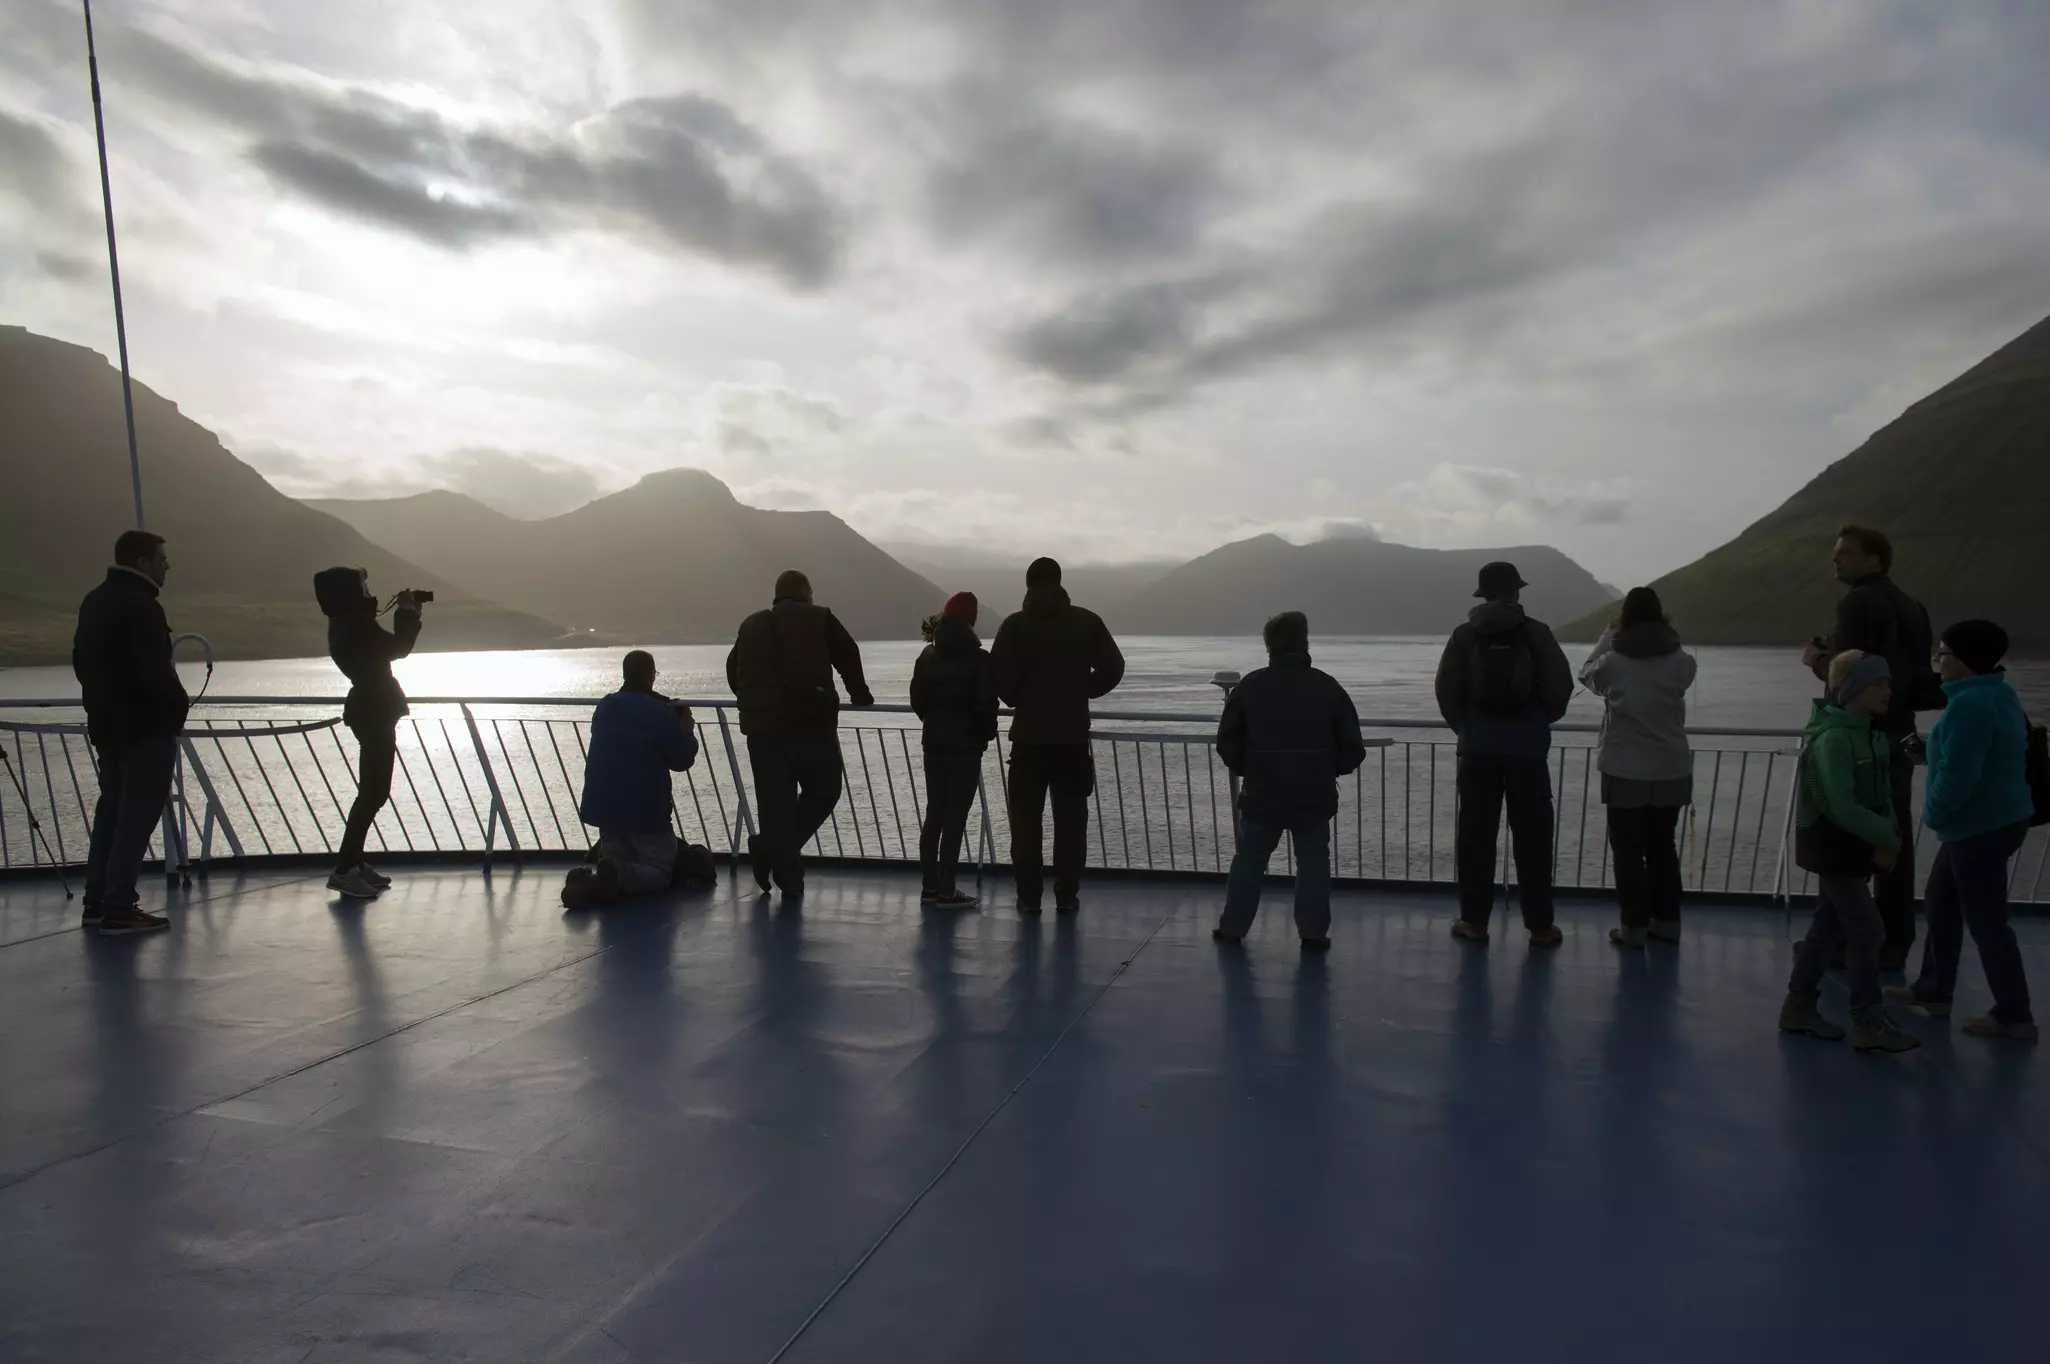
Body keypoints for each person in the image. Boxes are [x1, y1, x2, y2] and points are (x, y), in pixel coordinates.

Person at [1886, 621, 2037, 1042]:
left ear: (1965, 660)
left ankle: (2014, 1014)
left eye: (1944, 654)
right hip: (1995, 820)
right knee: (1941, 902)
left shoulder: (1970, 705)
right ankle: (1933, 989)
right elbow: (1971, 759)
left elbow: (1960, 775)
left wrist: (1932, 815)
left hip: (1979, 827)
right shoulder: (1996, 693)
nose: (1939, 662)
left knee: (1987, 920)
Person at [1800, 525, 1942, 969]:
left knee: (1845, 834)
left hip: (1863, 734)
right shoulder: (1912, 607)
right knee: (1892, 833)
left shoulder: (1859, 601)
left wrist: (1817, 660)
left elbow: (1850, 676)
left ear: (1874, 560)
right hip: (1900, 730)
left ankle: (1842, 941)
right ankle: (1893, 941)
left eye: (1844, 553)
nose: (1835, 560)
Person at [1779, 652, 1919, 1052]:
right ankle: (1867, 1020)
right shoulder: (1834, 738)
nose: (1888, 690)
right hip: (1832, 846)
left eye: (1888, 683)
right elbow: (1840, 804)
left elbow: (1881, 795)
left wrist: (1889, 833)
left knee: (1828, 926)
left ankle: (1799, 1006)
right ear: (1852, 688)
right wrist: (1887, 839)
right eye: (1878, 683)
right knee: (1868, 930)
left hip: (1851, 845)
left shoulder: (1871, 733)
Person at [1434, 561, 1573, 947]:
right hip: (1528, 751)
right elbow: (1560, 685)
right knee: (1533, 837)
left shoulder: (1464, 636)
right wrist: (1538, 719)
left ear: (1482, 594)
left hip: (1477, 750)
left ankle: (1475, 923)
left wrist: (1467, 728)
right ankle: (1541, 927)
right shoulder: (1536, 633)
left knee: (1476, 838)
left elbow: (1446, 690)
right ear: (1516, 592)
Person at [1212, 612, 1368, 951]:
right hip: (1313, 793)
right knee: (1313, 861)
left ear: (1269, 645)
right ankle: (1313, 933)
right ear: (1305, 643)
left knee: (1250, 859)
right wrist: (1328, 769)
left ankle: (1233, 928)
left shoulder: (1250, 686)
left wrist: (1249, 768)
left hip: (1262, 793)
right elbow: (1353, 746)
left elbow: (1227, 741)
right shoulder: (1326, 686)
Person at [726, 569, 874, 897]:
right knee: (824, 790)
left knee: (774, 805)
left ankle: (786, 874)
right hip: (811, 725)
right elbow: (848, 654)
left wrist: (752, 702)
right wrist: (859, 693)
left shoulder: (751, 624)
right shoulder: (819, 618)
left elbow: (733, 668)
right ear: (806, 592)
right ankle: (771, 854)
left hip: (762, 731)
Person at [990, 557, 1125, 914]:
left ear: (1028, 584)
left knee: (1025, 825)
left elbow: (999, 676)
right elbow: (1114, 666)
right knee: (1070, 824)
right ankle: (1067, 896)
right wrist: (1084, 689)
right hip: (1071, 740)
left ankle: (1028, 898)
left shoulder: (1014, 626)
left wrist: (1019, 697)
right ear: (1060, 581)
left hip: (1029, 741)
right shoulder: (1086, 622)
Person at [72, 530, 189, 935]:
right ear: (141, 562)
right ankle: (120, 906)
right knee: (136, 817)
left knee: (111, 812)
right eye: (161, 558)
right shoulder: (142, 606)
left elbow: (81, 664)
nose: (166, 565)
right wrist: (177, 709)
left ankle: (96, 901)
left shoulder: (95, 600)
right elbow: (153, 672)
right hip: (145, 729)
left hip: (108, 726)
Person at [1580, 587, 1697, 948]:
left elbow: (1586, 675)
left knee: (1628, 851)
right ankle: (1668, 922)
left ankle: (1633, 928)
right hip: (1672, 767)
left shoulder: (1613, 662)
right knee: (1663, 846)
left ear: (1624, 620)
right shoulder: (1684, 662)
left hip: (1624, 768)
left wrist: (1607, 636)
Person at [313, 567, 422, 899]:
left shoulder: (348, 623)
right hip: (373, 711)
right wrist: (407, 613)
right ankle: (344, 869)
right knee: (373, 793)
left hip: (370, 710)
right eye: (363, 587)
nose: (368, 591)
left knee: (371, 793)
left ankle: (354, 863)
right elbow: (398, 647)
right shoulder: (354, 626)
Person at [567, 651, 701, 906]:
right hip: (645, 812)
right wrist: (686, 731)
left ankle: (596, 881)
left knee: (619, 857)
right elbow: (682, 760)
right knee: (660, 872)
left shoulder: (605, 706)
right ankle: (614, 876)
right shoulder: (659, 712)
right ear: (651, 676)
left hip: (604, 810)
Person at [910, 593, 998, 908]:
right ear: (971, 620)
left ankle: (929, 888)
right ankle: (948, 891)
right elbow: (986, 707)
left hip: (933, 743)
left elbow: (917, 701)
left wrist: (934, 724)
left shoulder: (927, 655)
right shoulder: (979, 659)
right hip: (965, 748)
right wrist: (983, 737)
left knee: (934, 814)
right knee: (955, 818)